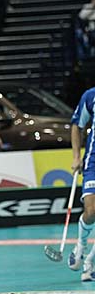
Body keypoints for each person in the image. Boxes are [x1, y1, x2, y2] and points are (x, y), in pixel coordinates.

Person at [68, 86, 95, 281]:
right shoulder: (91, 96)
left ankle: (90, 263)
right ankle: (81, 245)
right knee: (91, 210)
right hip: (93, 162)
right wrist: (76, 156)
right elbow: (77, 125)